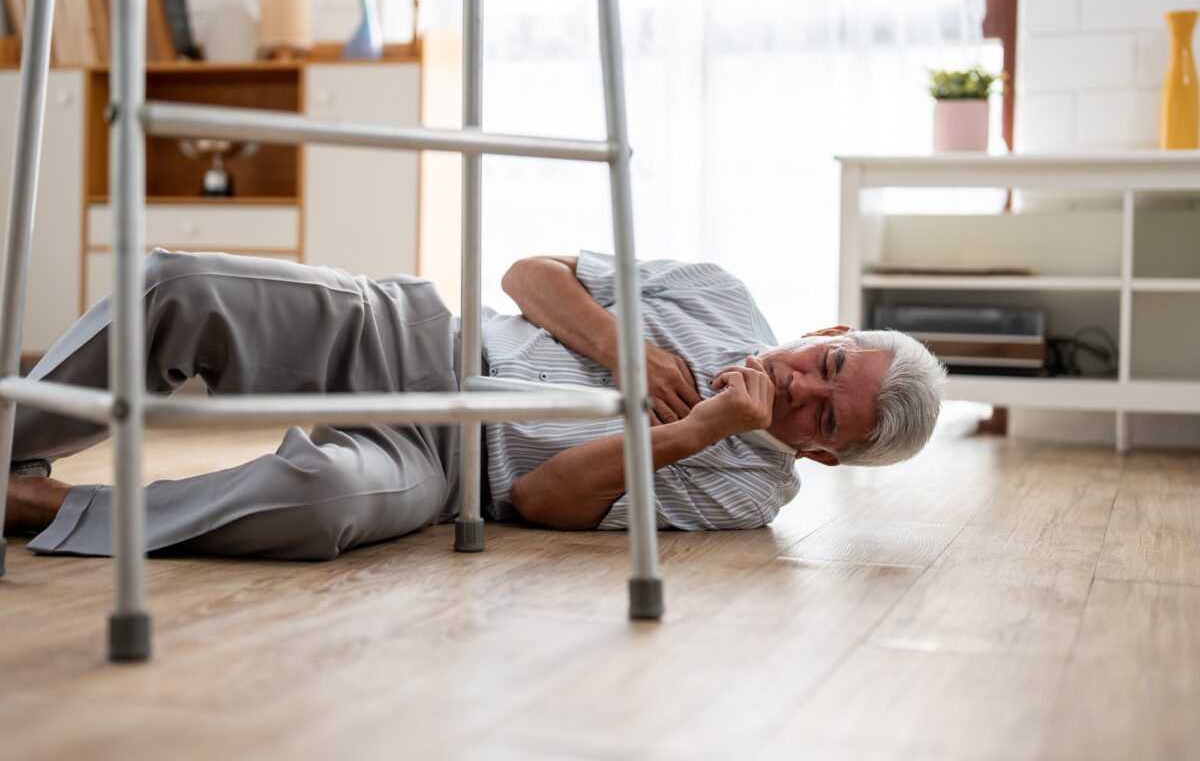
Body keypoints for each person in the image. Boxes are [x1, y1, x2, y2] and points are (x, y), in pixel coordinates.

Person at [3, 248, 945, 560]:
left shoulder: (749, 495)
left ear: (821, 457)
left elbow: (541, 502)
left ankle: (39, 505)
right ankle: (13, 440)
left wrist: (696, 433)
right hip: (425, 340)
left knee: (323, 499)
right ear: (826, 328)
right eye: (827, 361)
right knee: (178, 281)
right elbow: (529, 275)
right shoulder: (720, 295)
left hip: (449, 470)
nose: (803, 385)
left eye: (826, 414)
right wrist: (620, 348)